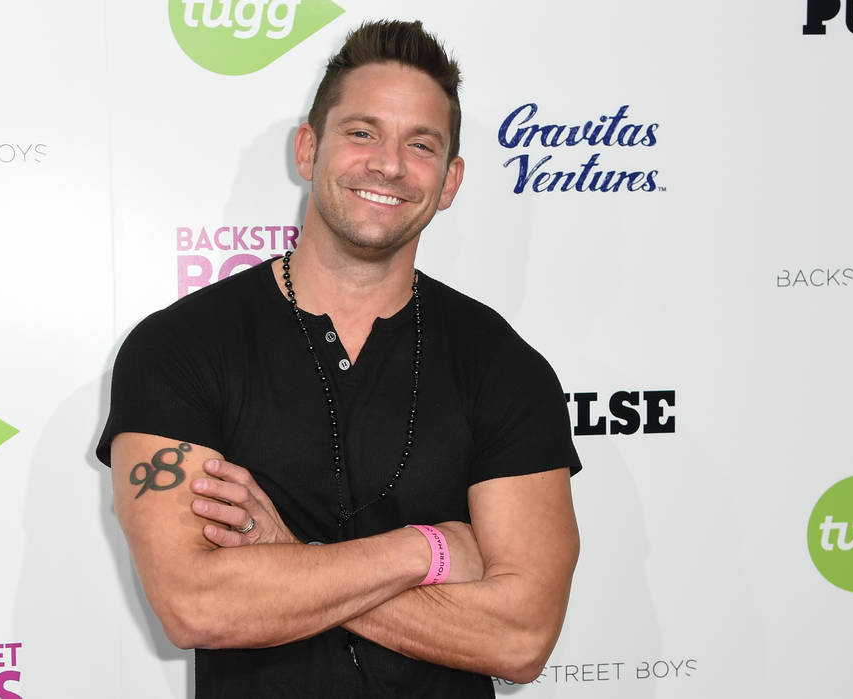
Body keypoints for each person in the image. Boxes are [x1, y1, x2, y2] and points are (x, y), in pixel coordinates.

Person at [97, 19, 581, 698]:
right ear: (308, 148)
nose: (389, 164)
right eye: (362, 132)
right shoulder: (179, 347)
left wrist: (286, 563)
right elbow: (194, 603)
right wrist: (430, 550)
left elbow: (521, 638)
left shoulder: (503, 366)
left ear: (450, 181)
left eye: (421, 145)